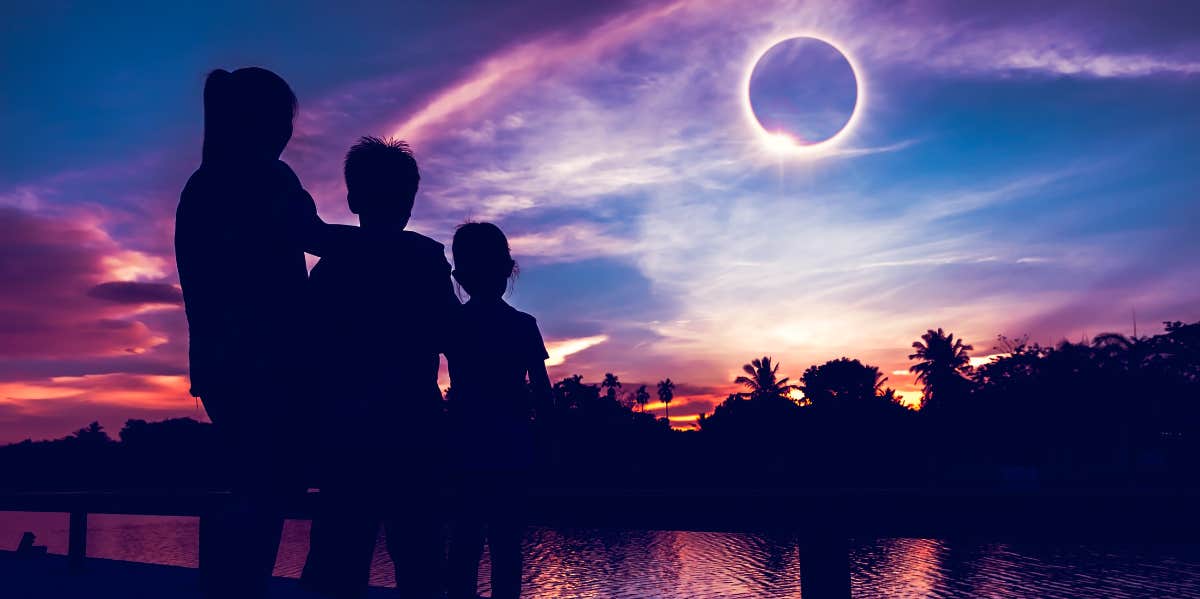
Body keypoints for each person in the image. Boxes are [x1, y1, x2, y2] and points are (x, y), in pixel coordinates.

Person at [175, 67, 355, 598]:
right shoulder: (268, 177)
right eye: (285, 119)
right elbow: (315, 237)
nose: (289, 130)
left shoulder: (202, 183)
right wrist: (390, 245)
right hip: (270, 367)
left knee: (251, 490)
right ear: (268, 121)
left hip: (219, 367)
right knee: (282, 490)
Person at [300, 137, 457, 599]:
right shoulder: (426, 258)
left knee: (338, 555)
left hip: (345, 429)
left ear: (352, 199)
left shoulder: (330, 267)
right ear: (410, 201)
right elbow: (450, 333)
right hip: (413, 427)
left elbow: (310, 349)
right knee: (420, 558)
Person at [444, 222, 553, 599]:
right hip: (510, 449)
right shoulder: (523, 326)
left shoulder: (453, 323)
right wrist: (547, 445)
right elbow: (543, 394)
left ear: (460, 275)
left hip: (464, 448)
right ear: (508, 269)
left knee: (465, 543)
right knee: (506, 547)